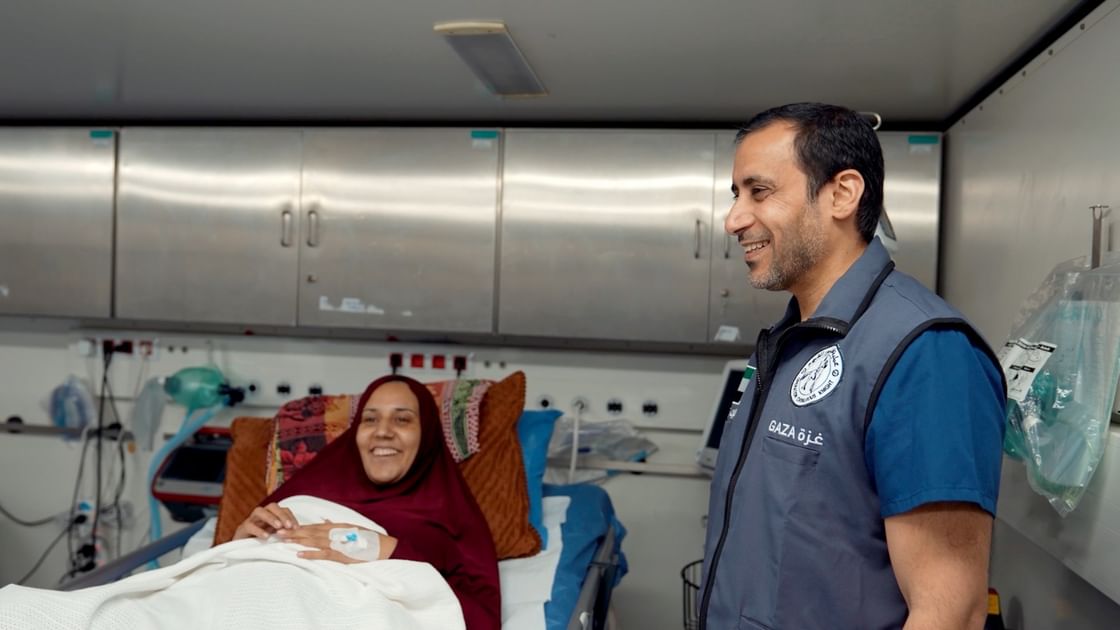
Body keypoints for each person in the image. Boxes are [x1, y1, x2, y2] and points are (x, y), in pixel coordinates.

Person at [699, 103, 1006, 630]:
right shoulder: (791, 340)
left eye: (759, 191)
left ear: (842, 194)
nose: (733, 220)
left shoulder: (925, 354)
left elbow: (950, 613)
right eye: (735, 195)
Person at [235, 375, 501, 630]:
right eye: (370, 419)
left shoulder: (450, 514)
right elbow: (231, 567)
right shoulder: (312, 486)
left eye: (402, 419)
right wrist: (239, 542)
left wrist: (386, 551)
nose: (382, 432)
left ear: (427, 433)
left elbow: (481, 620)